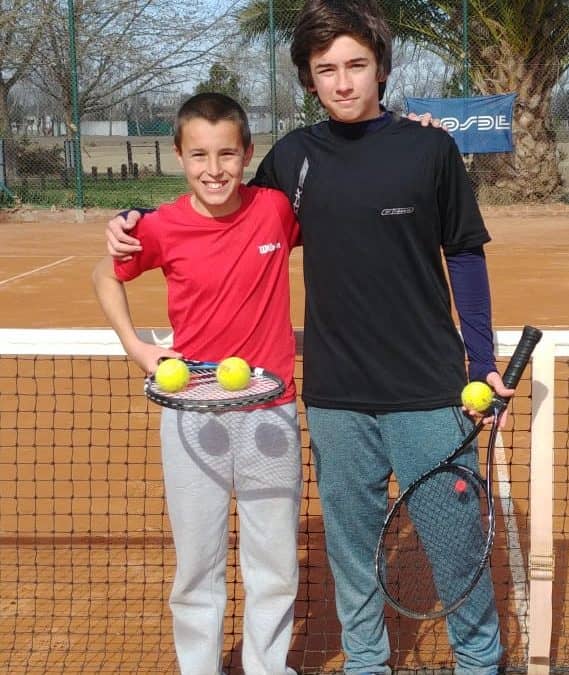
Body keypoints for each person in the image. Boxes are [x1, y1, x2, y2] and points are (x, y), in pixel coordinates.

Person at [105, 2, 515, 673]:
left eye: (357, 65)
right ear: (309, 79)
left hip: (431, 391)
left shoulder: (430, 149)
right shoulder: (293, 158)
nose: (344, 82)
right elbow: (220, 203)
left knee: (455, 547)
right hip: (335, 399)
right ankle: (365, 663)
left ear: (380, 67)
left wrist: (482, 359)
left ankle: (478, 661)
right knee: (352, 560)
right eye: (327, 69)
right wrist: (136, 219)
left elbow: (465, 255)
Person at [93, 92, 301, 675]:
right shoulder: (159, 227)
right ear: (180, 157)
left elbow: (348, 204)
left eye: (228, 154)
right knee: (198, 565)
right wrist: (136, 346)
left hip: (271, 412)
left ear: (248, 154)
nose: (215, 170)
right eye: (200, 156)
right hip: (190, 417)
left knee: (276, 563)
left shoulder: (276, 211)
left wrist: (411, 128)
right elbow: (103, 274)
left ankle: (267, 667)